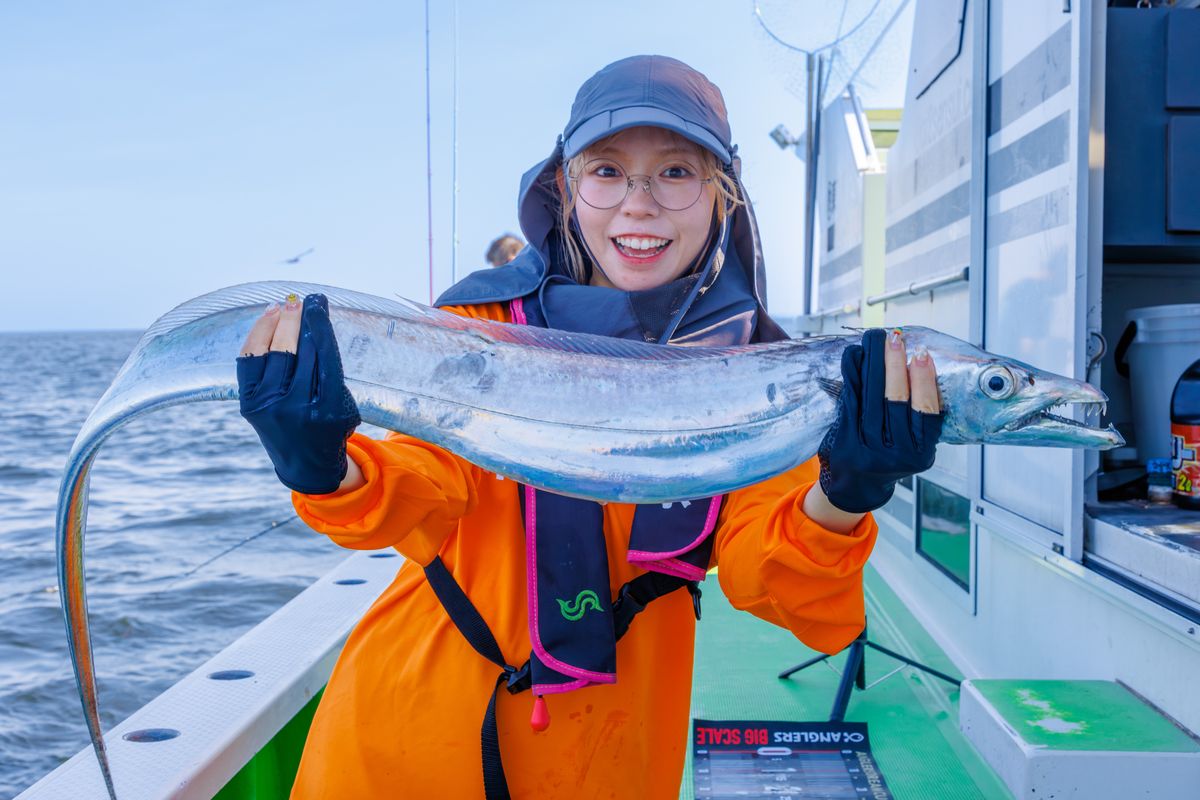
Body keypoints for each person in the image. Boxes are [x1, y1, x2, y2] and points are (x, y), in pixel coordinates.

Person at [235, 55, 942, 800]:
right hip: (404, 740)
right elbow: (421, 488)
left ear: (722, 194)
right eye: (607, 171)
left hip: (610, 762)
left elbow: (767, 575)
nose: (638, 205)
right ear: (566, 191)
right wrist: (323, 467)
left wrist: (846, 491)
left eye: (675, 172)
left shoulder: (760, 371)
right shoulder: (480, 326)